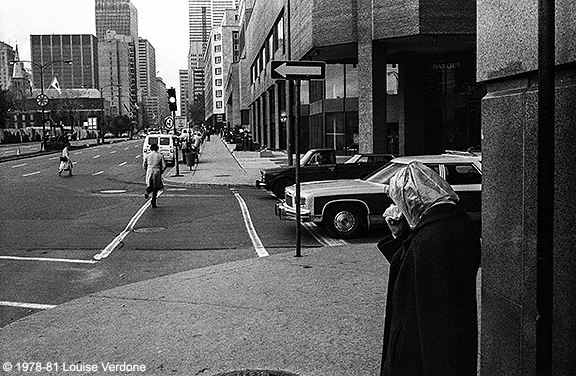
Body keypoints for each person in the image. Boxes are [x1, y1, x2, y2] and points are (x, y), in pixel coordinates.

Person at [378, 161, 481, 376]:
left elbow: (437, 323)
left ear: (413, 198)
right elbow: (412, 269)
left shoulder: (432, 239)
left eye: (401, 201)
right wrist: (400, 235)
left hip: (416, 356)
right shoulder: (451, 224)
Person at [142, 143, 166, 208]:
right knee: (156, 187)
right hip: (157, 170)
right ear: (157, 148)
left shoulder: (147, 155)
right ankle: (153, 200)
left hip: (149, 170)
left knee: (150, 184)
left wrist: (147, 170)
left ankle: (147, 191)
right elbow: (164, 165)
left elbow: (144, 165)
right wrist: (161, 171)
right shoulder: (160, 155)